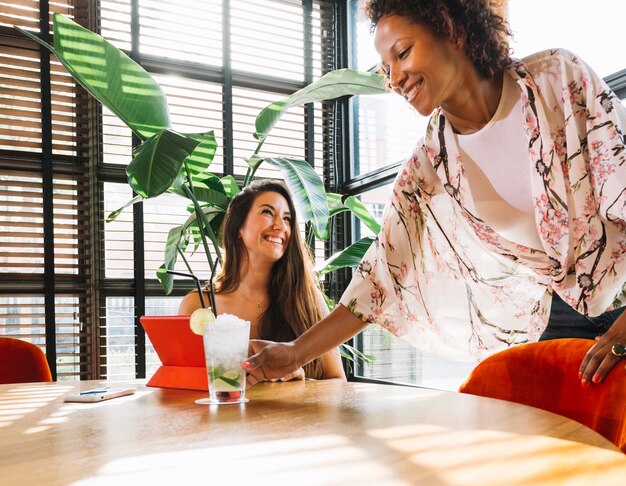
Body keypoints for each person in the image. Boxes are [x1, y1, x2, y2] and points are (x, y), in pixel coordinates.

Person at [244, 0, 626, 388]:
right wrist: (294, 353)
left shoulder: (556, 79)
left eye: (403, 53)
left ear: (453, 31)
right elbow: (380, 277)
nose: (394, 78)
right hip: (557, 324)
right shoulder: (430, 164)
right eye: (386, 68)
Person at [178, 179, 345, 381]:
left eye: (287, 218)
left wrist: (301, 382)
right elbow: (182, 383)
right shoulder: (199, 306)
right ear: (239, 227)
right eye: (267, 212)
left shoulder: (308, 300)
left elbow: (338, 382)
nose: (279, 226)